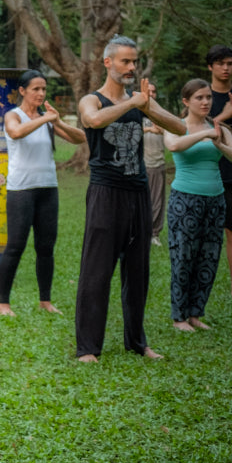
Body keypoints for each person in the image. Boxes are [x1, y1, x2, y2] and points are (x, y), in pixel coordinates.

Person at [74, 35, 185, 362]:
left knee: (137, 273)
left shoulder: (139, 101)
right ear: (107, 62)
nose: (131, 67)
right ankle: (88, 348)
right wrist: (134, 104)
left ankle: (137, 342)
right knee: (96, 272)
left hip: (137, 192)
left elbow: (179, 127)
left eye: (134, 61)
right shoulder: (91, 99)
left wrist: (147, 106)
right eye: (125, 61)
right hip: (105, 193)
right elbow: (92, 121)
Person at [0, 70, 85, 316]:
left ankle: (45, 301)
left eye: (44, 89)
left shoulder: (47, 120)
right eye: (35, 89)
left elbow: (80, 139)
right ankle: (4, 303)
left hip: (48, 189)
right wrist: (46, 120)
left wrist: (57, 121)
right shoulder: (12, 115)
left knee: (46, 246)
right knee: (15, 246)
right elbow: (16, 132)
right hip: (21, 190)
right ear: (22, 91)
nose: (41, 93)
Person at [164, 78, 232, 331]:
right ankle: (179, 317)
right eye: (199, 98)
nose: (205, 102)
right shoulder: (175, 125)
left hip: (215, 198)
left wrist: (221, 143)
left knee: (208, 257)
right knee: (183, 256)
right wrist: (206, 133)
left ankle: (195, 314)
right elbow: (173, 145)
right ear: (186, 102)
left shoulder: (219, 127)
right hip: (185, 199)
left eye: (208, 97)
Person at [205, 45, 232, 291]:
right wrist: (224, 115)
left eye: (230, 64)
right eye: (221, 63)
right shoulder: (203, 97)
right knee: (207, 238)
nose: (226, 68)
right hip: (209, 175)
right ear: (210, 66)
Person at [143, 114, 168, 246]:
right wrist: (148, 129)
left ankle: (154, 234)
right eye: (149, 91)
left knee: (157, 200)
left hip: (157, 164)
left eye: (153, 92)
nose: (151, 94)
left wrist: (162, 130)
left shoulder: (162, 116)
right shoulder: (134, 114)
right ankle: (138, 232)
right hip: (138, 166)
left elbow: (175, 134)